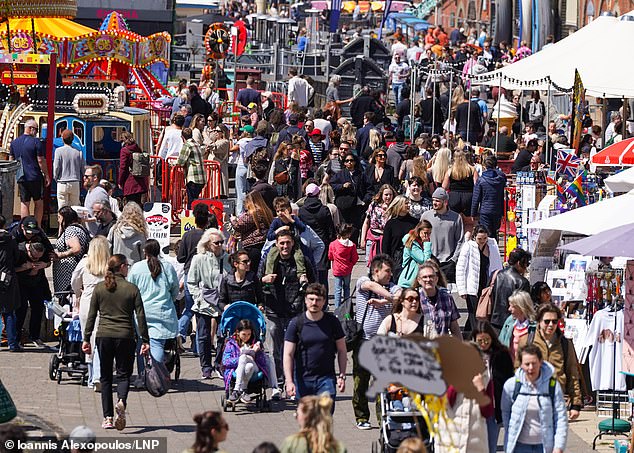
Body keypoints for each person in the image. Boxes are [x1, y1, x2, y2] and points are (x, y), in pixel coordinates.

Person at [82, 254, 150, 431]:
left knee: (105, 378)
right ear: (121, 267)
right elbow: (140, 316)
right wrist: (145, 339)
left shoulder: (99, 288)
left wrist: (86, 338)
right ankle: (121, 400)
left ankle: (107, 418)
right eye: (127, 265)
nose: (128, 268)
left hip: (104, 335)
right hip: (125, 336)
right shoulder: (132, 289)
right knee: (123, 374)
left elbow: (91, 315)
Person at [260, 230, 316, 382]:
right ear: (276, 244)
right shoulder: (268, 260)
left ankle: (294, 379)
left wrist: (305, 285)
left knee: (294, 347)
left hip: (295, 307)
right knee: (275, 349)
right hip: (273, 308)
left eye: (288, 242)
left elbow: (314, 284)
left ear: (293, 243)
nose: (285, 246)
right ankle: (278, 379)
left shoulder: (302, 260)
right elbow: (257, 281)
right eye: (282, 243)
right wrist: (264, 279)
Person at [353, 255, 399, 429]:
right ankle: (362, 417)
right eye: (387, 271)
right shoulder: (364, 281)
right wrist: (389, 298)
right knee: (360, 382)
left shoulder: (393, 287)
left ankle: (384, 419)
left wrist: (385, 300)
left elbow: (401, 295)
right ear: (376, 271)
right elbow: (371, 285)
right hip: (363, 342)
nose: (390, 274)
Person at [284, 283, 347, 406]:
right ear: (306, 301)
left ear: (324, 302)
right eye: (311, 299)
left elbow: (342, 350)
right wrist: (289, 381)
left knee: (324, 416)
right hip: (303, 379)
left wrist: (342, 375)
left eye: (318, 300)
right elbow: (288, 354)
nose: (314, 303)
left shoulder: (332, 322)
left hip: (326, 379)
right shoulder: (296, 323)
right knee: (308, 421)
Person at [501, 344, 568, 453]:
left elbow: (560, 416)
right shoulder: (512, 385)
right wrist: (510, 433)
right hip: (519, 446)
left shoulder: (552, 386)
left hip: (544, 446)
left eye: (534, 363)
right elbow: (505, 411)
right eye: (527, 364)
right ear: (521, 365)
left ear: (541, 362)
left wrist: (559, 446)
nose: (531, 368)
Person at [127, 239, 179, 374]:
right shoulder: (167, 267)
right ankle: (155, 375)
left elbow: (130, 289)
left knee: (142, 342)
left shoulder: (136, 268)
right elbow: (175, 290)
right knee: (157, 344)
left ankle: (143, 375)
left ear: (144, 251)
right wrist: (168, 300)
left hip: (142, 312)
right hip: (163, 311)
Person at [187, 229, 231, 379]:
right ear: (208, 244)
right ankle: (206, 366)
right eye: (216, 243)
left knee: (223, 335)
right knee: (204, 336)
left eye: (221, 242)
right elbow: (191, 281)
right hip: (204, 301)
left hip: (223, 302)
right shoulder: (199, 259)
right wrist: (198, 297)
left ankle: (219, 364)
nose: (219, 245)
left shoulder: (228, 259)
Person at [72, 236, 111, 390]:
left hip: (88, 302)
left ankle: (92, 376)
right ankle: (100, 374)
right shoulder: (110, 264)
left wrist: (78, 293)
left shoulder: (84, 263)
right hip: (106, 302)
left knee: (88, 339)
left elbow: (75, 282)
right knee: (103, 339)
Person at [531, 304, 582, 420]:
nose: (551, 325)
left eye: (554, 322)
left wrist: (575, 404)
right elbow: (518, 372)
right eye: (547, 321)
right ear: (539, 321)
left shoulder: (565, 344)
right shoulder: (528, 342)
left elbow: (572, 374)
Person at [471, 321, 515, 453]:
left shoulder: (501, 354)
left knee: (490, 446)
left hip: (493, 407)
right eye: (480, 341)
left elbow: (508, 379)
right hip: (473, 407)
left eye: (486, 340)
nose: (483, 344)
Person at [456, 225, 503, 334]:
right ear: (474, 237)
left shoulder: (492, 245)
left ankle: (467, 335)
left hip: (487, 285)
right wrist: (462, 289)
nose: (482, 241)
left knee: (482, 313)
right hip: (472, 287)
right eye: (479, 239)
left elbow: (497, 265)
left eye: (484, 238)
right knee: (475, 315)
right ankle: (477, 336)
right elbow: (460, 269)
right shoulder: (468, 246)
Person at [177, 203, 210, 352]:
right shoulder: (209, 236)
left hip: (190, 272)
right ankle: (198, 346)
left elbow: (180, 258)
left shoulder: (187, 235)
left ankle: (179, 331)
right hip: (205, 275)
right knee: (202, 311)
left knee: (190, 308)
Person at [421, 188, 464, 284]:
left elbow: (460, 240)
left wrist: (454, 259)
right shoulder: (426, 216)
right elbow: (420, 237)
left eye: (437, 200)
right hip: (430, 260)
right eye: (433, 200)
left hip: (448, 262)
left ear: (445, 202)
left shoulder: (456, 218)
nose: (434, 203)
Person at [10, 119, 49, 225]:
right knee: (39, 202)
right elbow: (40, 160)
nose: (36, 132)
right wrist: (46, 175)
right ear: (31, 129)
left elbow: (11, 160)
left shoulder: (14, 143)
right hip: (35, 176)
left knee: (24, 202)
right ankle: (37, 227)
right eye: (36, 129)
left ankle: (25, 227)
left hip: (21, 177)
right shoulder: (36, 142)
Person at [222, 319, 270, 403]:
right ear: (238, 332)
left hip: (255, 367)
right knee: (247, 363)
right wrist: (240, 359)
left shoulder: (256, 343)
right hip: (239, 368)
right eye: (243, 334)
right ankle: (243, 390)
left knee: (246, 359)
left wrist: (256, 352)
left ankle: (237, 389)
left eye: (249, 334)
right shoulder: (231, 344)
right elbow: (225, 361)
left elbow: (263, 362)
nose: (246, 337)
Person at [15, 241, 51, 349]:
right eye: (34, 257)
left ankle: (35, 336)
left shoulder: (42, 251)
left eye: (38, 258)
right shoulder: (19, 252)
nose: (36, 259)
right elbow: (11, 269)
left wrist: (44, 265)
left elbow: (49, 261)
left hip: (37, 283)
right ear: (29, 250)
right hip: (21, 283)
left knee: (38, 308)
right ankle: (17, 338)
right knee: (21, 309)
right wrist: (25, 268)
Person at [281, 395, 346, 453]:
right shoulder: (338, 448)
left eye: (297, 414)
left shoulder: (291, 444)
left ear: (306, 418)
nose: (295, 416)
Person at [413, 261, 462, 337]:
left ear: (436, 279)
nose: (428, 279)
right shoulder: (414, 299)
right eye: (424, 277)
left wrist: (459, 346)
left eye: (431, 276)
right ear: (419, 280)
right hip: (422, 346)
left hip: (442, 345)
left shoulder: (447, 298)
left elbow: (454, 327)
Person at [230, 191, 274, 272]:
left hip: (251, 247)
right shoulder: (267, 212)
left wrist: (233, 220)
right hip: (264, 245)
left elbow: (238, 226)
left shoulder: (252, 214)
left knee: (251, 273)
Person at [490, 248, 531, 330]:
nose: (526, 267)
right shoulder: (522, 282)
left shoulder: (495, 274)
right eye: (526, 264)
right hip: (512, 323)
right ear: (519, 263)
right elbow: (523, 306)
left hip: (493, 320)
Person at [52, 206, 90, 293]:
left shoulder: (70, 231)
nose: (58, 220)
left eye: (59, 217)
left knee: (67, 300)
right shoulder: (79, 228)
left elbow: (76, 248)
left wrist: (61, 255)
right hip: (71, 271)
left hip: (68, 273)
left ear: (65, 218)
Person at [330, 152, 365, 241]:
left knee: (355, 227)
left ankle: (354, 244)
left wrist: (365, 199)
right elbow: (332, 184)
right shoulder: (340, 174)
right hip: (343, 204)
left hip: (357, 205)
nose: (349, 162)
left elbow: (368, 187)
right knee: (344, 226)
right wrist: (342, 186)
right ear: (344, 163)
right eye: (347, 161)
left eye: (351, 160)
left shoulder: (360, 174)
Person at [381, 196, 418, 280]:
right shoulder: (391, 224)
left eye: (409, 203)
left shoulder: (415, 222)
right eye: (406, 203)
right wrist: (386, 263)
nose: (408, 205)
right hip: (396, 260)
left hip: (412, 258)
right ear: (399, 205)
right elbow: (385, 246)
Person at [0, 215, 21, 352]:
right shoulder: (11, 239)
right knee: (9, 312)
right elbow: (16, 257)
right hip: (7, 276)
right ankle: (12, 344)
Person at [471, 155, 506, 237]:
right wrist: (504, 212)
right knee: (494, 233)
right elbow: (503, 197)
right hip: (497, 210)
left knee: (486, 233)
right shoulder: (500, 180)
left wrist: (473, 213)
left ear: (484, 166)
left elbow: (476, 198)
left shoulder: (481, 180)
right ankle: (494, 247)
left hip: (485, 211)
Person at [498, 290, 536, 365]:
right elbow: (500, 343)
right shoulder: (509, 321)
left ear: (521, 307)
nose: (509, 309)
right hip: (508, 367)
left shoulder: (534, 326)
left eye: (512, 306)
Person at [443, 150, 478, 229]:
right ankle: (466, 239)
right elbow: (476, 185)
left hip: (454, 196)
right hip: (469, 197)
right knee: (469, 223)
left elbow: (444, 186)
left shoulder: (450, 170)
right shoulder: (472, 170)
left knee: (453, 221)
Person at [360, 184, 395, 265]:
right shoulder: (373, 205)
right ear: (381, 194)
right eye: (386, 195)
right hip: (372, 238)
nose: (388, 197)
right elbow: (366, 222)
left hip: (387, 239)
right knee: (371, 267)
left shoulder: (395, 207)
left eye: (390, 195)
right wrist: (363, 239)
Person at [107, 202, 148, 267]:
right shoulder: (140, 233)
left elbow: (108, 248)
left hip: (117, 268)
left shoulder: (114, 230)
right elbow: (143, 255)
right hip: (134, 269)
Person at [328, 223, 358, 309]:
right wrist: (351, 264)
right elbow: (355, 258)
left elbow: (330, 256)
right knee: (347, 288)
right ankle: (346, 308)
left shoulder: (333, 244)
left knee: (337, 290)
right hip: (347, 270)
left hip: (337, 270)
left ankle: (337, 309)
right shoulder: (352, 245)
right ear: (349, 234)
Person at [53, 129, 84, 209]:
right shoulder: (78, 152)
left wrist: (56, 178)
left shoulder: (58, 151)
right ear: (73, 139)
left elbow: (56, 167)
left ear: (62, 139)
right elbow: (83, 168)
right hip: (75, 182)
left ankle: (63, 221)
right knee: (75, 207)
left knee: (62, 208)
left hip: (62, 182)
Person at [177, 127, 207, 209]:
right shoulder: (196, 144)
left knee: (191, 201)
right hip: (202, 178)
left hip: (193, 178)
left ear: (182, 137)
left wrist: (173, 164)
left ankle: (192, 219)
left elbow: (180, 161)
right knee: (195, 200)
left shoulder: (187, 145)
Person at [398, 220, 434, 288]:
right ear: (419, 231)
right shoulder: (411, 242)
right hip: (408, 281)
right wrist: (426, 243)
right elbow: (424, 261)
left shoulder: (421, 242)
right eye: (425, 233)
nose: (427, 236)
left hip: (418, 280)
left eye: (429, 233)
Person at [118, 132, 149, 207]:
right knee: (139, 205)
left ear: (123, 141)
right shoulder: (137, 148)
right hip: (140, 182)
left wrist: (120, 181)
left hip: (130, 183)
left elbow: (123, 167)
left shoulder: (124, 151)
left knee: (131, 206)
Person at [206, 124, 230, 197]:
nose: (215, 132)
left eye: (217, 131)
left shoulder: (225, 142)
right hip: (213, 169)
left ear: (222, 132)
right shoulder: (216, 141)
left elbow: (214, 147)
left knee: (219, 190)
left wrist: (205, 136)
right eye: (214, 131)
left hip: (220, 169)